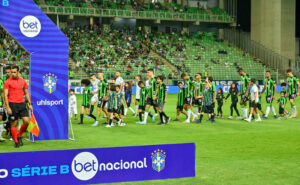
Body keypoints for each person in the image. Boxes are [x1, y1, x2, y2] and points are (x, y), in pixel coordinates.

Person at [4, 65, 33, 148]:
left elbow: (26, 93)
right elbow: (6, 95)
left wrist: (30, 104)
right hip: (12, 104)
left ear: (18, 72)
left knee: (27, 122)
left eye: (14, 72)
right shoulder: (7, 82)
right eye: (11, 72)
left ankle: (19, 135)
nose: (12, 74)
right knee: (14, 124)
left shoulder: (23, 81)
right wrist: (8, 107)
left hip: (22, 104)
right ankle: (16, 141)